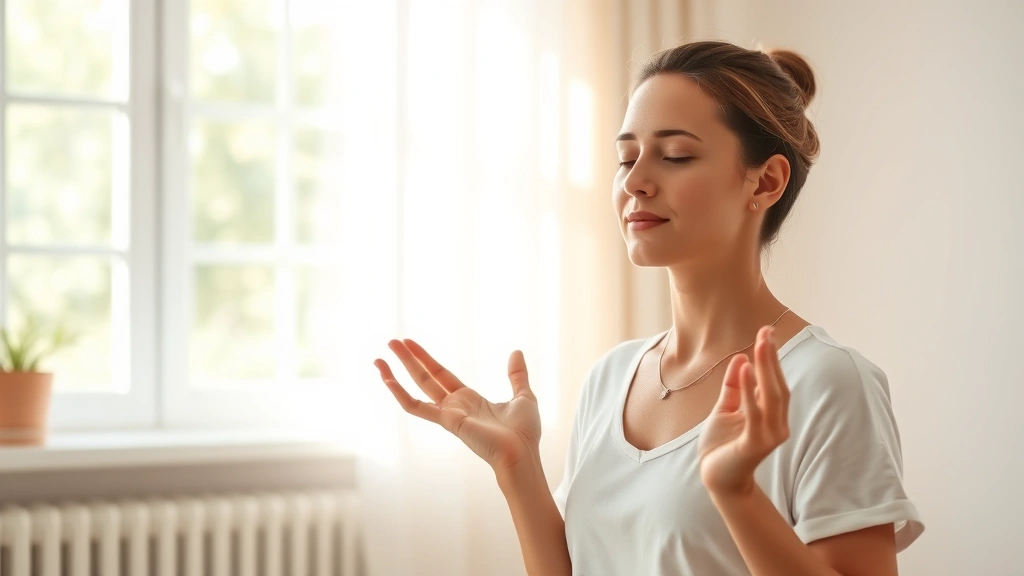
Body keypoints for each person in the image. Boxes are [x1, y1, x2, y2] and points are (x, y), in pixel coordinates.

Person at [374, 40, 924, 576]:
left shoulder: (825, 381)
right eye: (626, 157)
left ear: (767, 180)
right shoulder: (613, 377)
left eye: (676, 155)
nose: (635, 182)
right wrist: (516, 466)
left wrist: (737, 495)